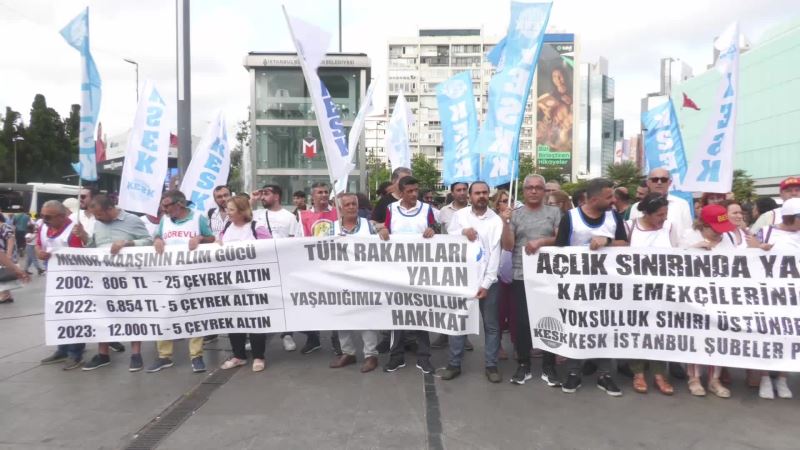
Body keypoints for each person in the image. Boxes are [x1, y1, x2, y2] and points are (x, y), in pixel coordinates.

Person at [555, 178, 628, 396]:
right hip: (577, 286)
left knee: (605, 327)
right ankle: (574, 372)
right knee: (576, 327)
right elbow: (560, 250)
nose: (613, 200)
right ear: (594, 199)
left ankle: (605, 374)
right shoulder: (571, 218)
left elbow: (625, 244)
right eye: (608, 197)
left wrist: (606, 241)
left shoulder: (613, 216)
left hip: (607, 286)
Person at [76, 195, 153, 371]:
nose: (96, 218)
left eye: (99, 215)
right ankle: (103, 354)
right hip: (104, 278)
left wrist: (127, 243)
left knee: (133, 313)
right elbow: (93, 247)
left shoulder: (132, 220)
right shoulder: (98, 223)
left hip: (129, 278)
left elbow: (148, 241)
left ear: (110, 209)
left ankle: (136, 354)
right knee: (103, 313)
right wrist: (84, 236)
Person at [500, 174, 561, 387]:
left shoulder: (554, 212)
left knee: (550, 320)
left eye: (538, 188)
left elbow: (561, 239)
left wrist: (542, 241)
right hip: (521, 274)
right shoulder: (515, 215)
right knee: (523, 322)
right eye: (529, 188)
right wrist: (505, 222)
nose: (534, 191)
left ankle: (549, 365)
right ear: (524, 191)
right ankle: (523, 364)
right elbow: (508, 245)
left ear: (544, 191)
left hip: (548, 275)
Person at [440, 181, 503, 383]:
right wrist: (462, 232)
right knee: (459, 322)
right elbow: (449, 237)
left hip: (488, 282)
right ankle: (454, 364)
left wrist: (486, 284)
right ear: (470, 195)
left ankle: (491, 365)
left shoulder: (496, 220)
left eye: (485, 192)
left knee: (491, 325)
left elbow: (495, 254)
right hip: (463, 280)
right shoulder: (460, 216)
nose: (481, 196)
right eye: (477, 193)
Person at [681, 204, 746, 398]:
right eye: (715, 230)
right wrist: (692, 250)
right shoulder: (688, 236)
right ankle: (694, 378)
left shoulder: (728, 238)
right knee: (695, 337)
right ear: (703, 225)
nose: (720, 234)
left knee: (718, 337)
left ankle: (714, 380)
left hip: (720, 298)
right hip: (694, 298)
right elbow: (673, 264)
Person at [148, 190, 216, 373]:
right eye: (163, 205)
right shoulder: (164, 220)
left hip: (192, 276)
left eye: (167, 205)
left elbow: (212, 239)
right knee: (164, 314)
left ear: (180, 204)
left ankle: (197, 356)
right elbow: (156, 236)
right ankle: (164, 356)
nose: (164, 209)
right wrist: (157, 239)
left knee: (194, 314)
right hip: (167, 277)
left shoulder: (198, 218)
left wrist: (200, 238)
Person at [378, 176, 437, 374]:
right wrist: (383, 230)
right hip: (396, 271)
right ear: (401, 192)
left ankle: (424, 357)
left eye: (416, 190)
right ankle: (396, 356)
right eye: (410, 191)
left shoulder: (427, 209)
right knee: (398, 316)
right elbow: (386, 228)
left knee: (421, 315)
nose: (414, 194)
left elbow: (435, 229)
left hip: (420, 272)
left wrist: (432, 230)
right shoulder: (391, 209)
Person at [625, 194, 678, 395]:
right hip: (636, 290)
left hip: (663, 291)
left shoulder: (670, 227)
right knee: (637, 330)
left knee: (660, 331)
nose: (663, 218)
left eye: (665, 214)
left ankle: (659, 373)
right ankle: (637, 372)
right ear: (646, 213)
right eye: (659, 214)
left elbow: (678, 252)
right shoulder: (630, 227)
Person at [218, 196, 272, 372]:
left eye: (231, 210)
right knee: (234, 320)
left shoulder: (257, 228)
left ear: (242, 211)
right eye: (227, 209)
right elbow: (217, 246)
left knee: (255, 320)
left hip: (253, 283)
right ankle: (238, 355)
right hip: (230, 284)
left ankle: (258, 356)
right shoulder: (226, 228)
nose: (228, 212)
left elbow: (271, 249)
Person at [329, 192, 380, 373]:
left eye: (354, 204)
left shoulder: (368, 226)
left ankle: (370, 355)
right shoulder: (332, 228)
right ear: (340, 208)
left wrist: (383, 231)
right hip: (341, 279)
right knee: (343, 316)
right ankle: (348, 352)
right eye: (347, 204)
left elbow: (381, 246)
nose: (351, 207)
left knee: (367, 317)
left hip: (365, 278)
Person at [755, 198, 800, 399]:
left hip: (795, 295)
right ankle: (764, 377)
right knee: (767, 334)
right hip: (770, 294)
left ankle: (782, 379)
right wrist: (759, 249)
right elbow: (748, 256)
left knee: (790, 336)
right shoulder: (767, 232)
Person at [34, 201, 86, 367]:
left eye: (48, 216)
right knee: (58, 316)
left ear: (62, 216)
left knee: (74, 317)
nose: (44, 219)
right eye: (42, 215)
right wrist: (39, 253)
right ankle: (62, 349)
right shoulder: (43, 227)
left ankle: (75, 353)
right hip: (54, 281)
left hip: (74, 282)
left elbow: (81, 255)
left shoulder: (73, 230)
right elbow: (38, 244)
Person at [253, 184, 301, 352]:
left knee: (284, 301)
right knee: (262, 301)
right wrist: (253, 199)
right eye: (262, 194)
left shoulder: (289, 217)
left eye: (266, 193)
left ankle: (287, 334)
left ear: (277, 196)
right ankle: (259, 337)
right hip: (260, 266)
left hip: (282, 265)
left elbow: (294, 240)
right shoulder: (256, 215)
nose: (263, 196)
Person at [296, 182, 340, 355]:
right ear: (312, 196)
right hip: (312, 266)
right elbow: (299, 240)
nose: (323, 195)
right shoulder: (303, 215)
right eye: (319, 192)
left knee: (337, 304)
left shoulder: (337, 213)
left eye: (326, 192)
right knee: (313, 303)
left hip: (334, 264)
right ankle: (313, 338)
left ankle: (337, 340)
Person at [431, 182, 473, 351]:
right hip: (448, 261)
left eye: (464, 190)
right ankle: (444, 335)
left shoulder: (474, 210)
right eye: (458, 190)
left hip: (468, 262)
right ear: (452, 193)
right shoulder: (444, 212)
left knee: (465, 301)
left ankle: (464, 335)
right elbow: (439, 232)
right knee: (447, 300)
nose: (462, 193)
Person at [629, 168, 694, 248]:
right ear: (648, 183)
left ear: (669, 182)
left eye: (663, 180)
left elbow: (688, 233)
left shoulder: (682, 204)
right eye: (655, 179)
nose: (659, 183)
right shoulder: (636, 207)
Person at [491, 189, 513, 360]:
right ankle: (497, 345)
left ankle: (517, 343)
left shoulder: (517, 218)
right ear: (497, 204)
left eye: (510, 200)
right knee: (498, 312)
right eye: (504, 201)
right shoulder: (493, 221)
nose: (508, 204)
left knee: (514, 312)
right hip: (499, 271)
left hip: (516, 269)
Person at [0, 214, 16, 304]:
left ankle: (4, 296)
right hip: (2, 255)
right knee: (3, 274)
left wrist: (8, 255)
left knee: (3, 274)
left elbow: (10, 239)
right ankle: (7, 295)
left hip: (4, 255)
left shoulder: (5, 226)